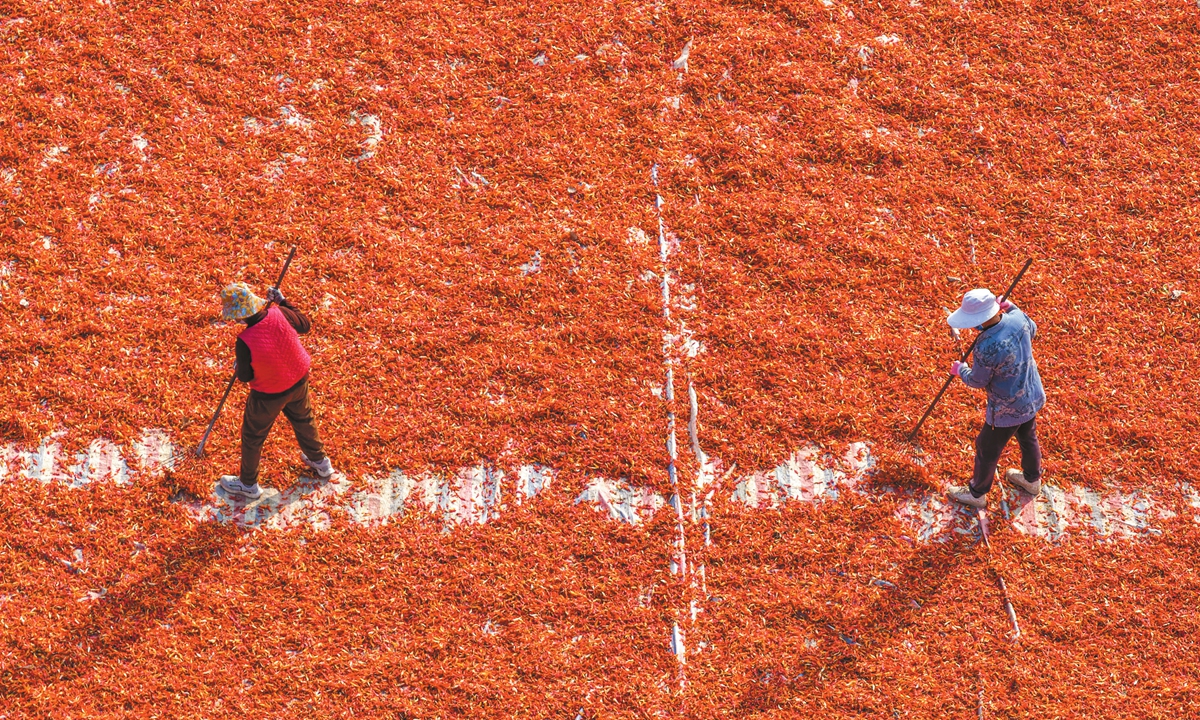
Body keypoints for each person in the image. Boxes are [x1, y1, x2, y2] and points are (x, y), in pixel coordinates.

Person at [217, 282, 333, 500]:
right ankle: (321, 462)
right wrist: (283, 301)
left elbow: (245, 377)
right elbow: (305, 324)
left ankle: (248, 484)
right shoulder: (278, 312)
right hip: (298, 380)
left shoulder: (244, 340)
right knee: (303, 419)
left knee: (253, 436)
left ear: (237, 316)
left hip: (269, 394)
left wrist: (239, 364)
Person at [944, 288, 1045, 509]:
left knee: (986, 447)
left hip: (1006, 406)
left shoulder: (986, 345)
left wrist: (961, 370)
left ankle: (977, 493)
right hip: (1031, 393)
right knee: (1028, 437)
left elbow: (978, 380)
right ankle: (1032, 480)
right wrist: (1013, 307)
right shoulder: (1017, 318)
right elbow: (1034, 330)